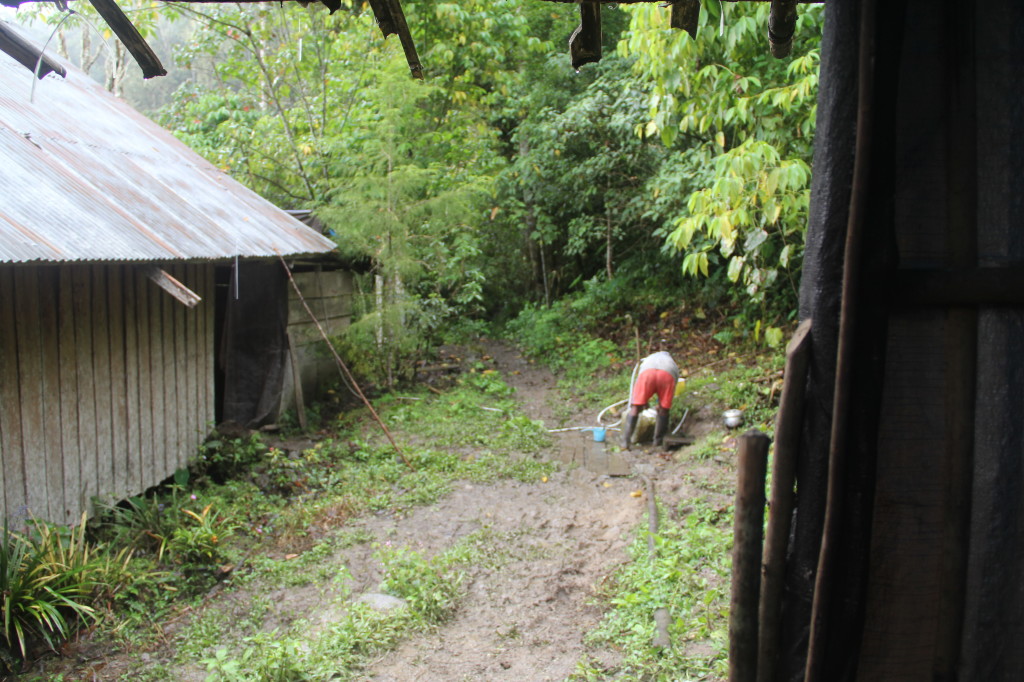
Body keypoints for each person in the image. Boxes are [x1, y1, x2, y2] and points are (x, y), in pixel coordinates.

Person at [621, 350, 680, 450]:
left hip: (647, 374)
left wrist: (643, 403)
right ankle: (658, 442)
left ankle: (625, 442)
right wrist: (660, 405)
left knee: (635, 408)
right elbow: (669, 389)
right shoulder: (671, 363)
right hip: (667, 374)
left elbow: (640, 389)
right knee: (664, 410)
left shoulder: (648, 360)